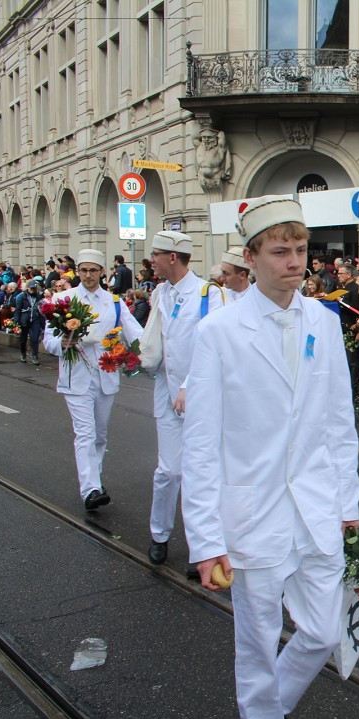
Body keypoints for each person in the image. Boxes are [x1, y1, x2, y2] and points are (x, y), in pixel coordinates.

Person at [181, 195, 359, 719]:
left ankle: (268, 707)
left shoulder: (324, 323)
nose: (295, 262)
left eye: (301, 249)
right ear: (251, 257)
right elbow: (200, 447)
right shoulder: (218, 332)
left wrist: (347, 503)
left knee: (325, 631)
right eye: (281, 251)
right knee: (256, 645)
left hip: (317, 509)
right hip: (253, 516)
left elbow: (338, 425)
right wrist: (207, 540)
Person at [143, 230, 229, 568]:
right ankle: (159, 534)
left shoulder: (209, 294)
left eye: (156, 254)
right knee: (169, 471)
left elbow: (216, 346)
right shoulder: (159, 292)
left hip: (200, 395)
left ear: (173, 258)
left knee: (202, 472)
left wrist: (190, 385)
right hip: (166, 392)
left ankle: (203, 550)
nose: (152, 260)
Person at [43, 249, 143, 510]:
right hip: (76, 376)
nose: (88, 275)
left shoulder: (115, 302)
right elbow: (49, 341)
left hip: (106, 374)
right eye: (84, 270)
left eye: (93, 270)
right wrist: (62, 343)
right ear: (78, 272)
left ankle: (95, 481)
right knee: (85, 433)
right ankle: (90, 490)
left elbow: (136, 334)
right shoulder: (63, 299)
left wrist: (148, 352)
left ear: (101, 272)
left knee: (99, 434)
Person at [14, 279, 45, 364]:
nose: (32, 290)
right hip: (25, 319)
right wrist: (16, 320)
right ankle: (23, 353)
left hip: (35, 319)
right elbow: (18, 309)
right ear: (27, 288)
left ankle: (34, 355)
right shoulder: (22, 296)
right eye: (31, 288)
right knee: (23, 339)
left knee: (35, 338)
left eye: (34, 288)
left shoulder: (38, 296)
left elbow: (42, 307)